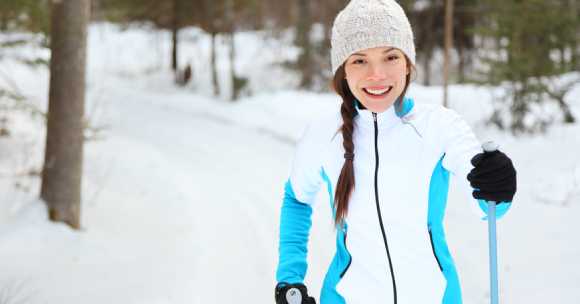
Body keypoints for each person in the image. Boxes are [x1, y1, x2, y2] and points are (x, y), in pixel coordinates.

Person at [274, 0, 517, 303]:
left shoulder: (439, 126)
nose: (377, 75)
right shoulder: (323, 134)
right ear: (343, 72)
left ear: (407, 63)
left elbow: (489, 206)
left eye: (390, 57)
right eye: (360, 60)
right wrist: (289, 278)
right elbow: (297, 199)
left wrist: (499, 183)